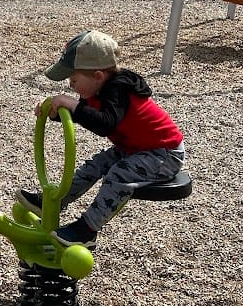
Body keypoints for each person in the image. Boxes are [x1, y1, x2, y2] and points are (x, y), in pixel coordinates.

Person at [17, 29, 186, 248]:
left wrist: (72, 105)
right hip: (134, 147)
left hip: (163, 153)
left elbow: (104, 123)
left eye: (74, 78)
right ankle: (54, 203)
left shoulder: (118, 90)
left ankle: (87, 230)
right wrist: (57, 113)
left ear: (98, 76)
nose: (70, 84)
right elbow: (86, 113)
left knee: (118, 175)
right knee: (95, 165)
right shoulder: (97, 89)